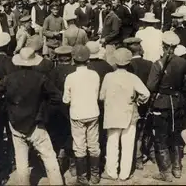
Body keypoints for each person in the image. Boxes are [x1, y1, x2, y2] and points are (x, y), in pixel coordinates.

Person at [0, 47, 63, 185]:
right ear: (34, 62)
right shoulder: (41, 78)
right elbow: (57, 97)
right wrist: (45, 112)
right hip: (36, 123)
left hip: (16, 123)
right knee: (49, 157)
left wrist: (7, 109)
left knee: (21, 160)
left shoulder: (9, 79)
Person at [147, 31, 186, 181]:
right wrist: (183, 88)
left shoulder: (157, 64)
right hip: (178, 103)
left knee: (160, 137)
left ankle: (165, 172)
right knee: (176, 135)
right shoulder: (182, 62)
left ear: (163, 46)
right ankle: (177, 169)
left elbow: (151, 86)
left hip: (162, 104)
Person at [100, 48, 150, 181]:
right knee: (128, 144)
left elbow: (101, 96)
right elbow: (146, 93)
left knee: (112, 143)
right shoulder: (133, 77)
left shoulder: (108, 77)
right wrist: (138, 100)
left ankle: (111, 172)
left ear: (115, 62)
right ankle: (125, 174)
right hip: (128, 113)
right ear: (129, 63)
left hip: (112, 114)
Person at [63, 45, 101, 185]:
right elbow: (96, 95)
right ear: (88, 59)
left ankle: (82, 177)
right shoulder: (95, 75)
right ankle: (96, 175)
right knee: (93, 143)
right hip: (92, 112)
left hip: (77, 114)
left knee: (79, 145)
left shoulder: (70, 77)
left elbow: (66, 99)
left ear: (73, 59)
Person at [122, 37, 154, 170]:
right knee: (147, 128)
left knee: (132, 130)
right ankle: (150, 153)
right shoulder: (150, 64)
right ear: (140, 49)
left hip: (130, 101)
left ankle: (137, 157)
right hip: (146, 100)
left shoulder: (126, 66)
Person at [47, 45, 77, 176]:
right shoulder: (76, 70)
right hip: (73, 107)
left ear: (58, 58)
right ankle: (73, 164)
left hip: (57, 109)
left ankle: (59, 161)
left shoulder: (52, 72)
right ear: (70, 58)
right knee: (73, 135)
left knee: (58, 135)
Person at [99, 0, 122, 66]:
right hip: (106, 43)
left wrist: (105, 39)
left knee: (110, 62)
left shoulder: (114, 17)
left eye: (103, 8)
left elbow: (115, 31)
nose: (102, 10)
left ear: (108, 7)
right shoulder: (107, 15)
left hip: (111, 43)